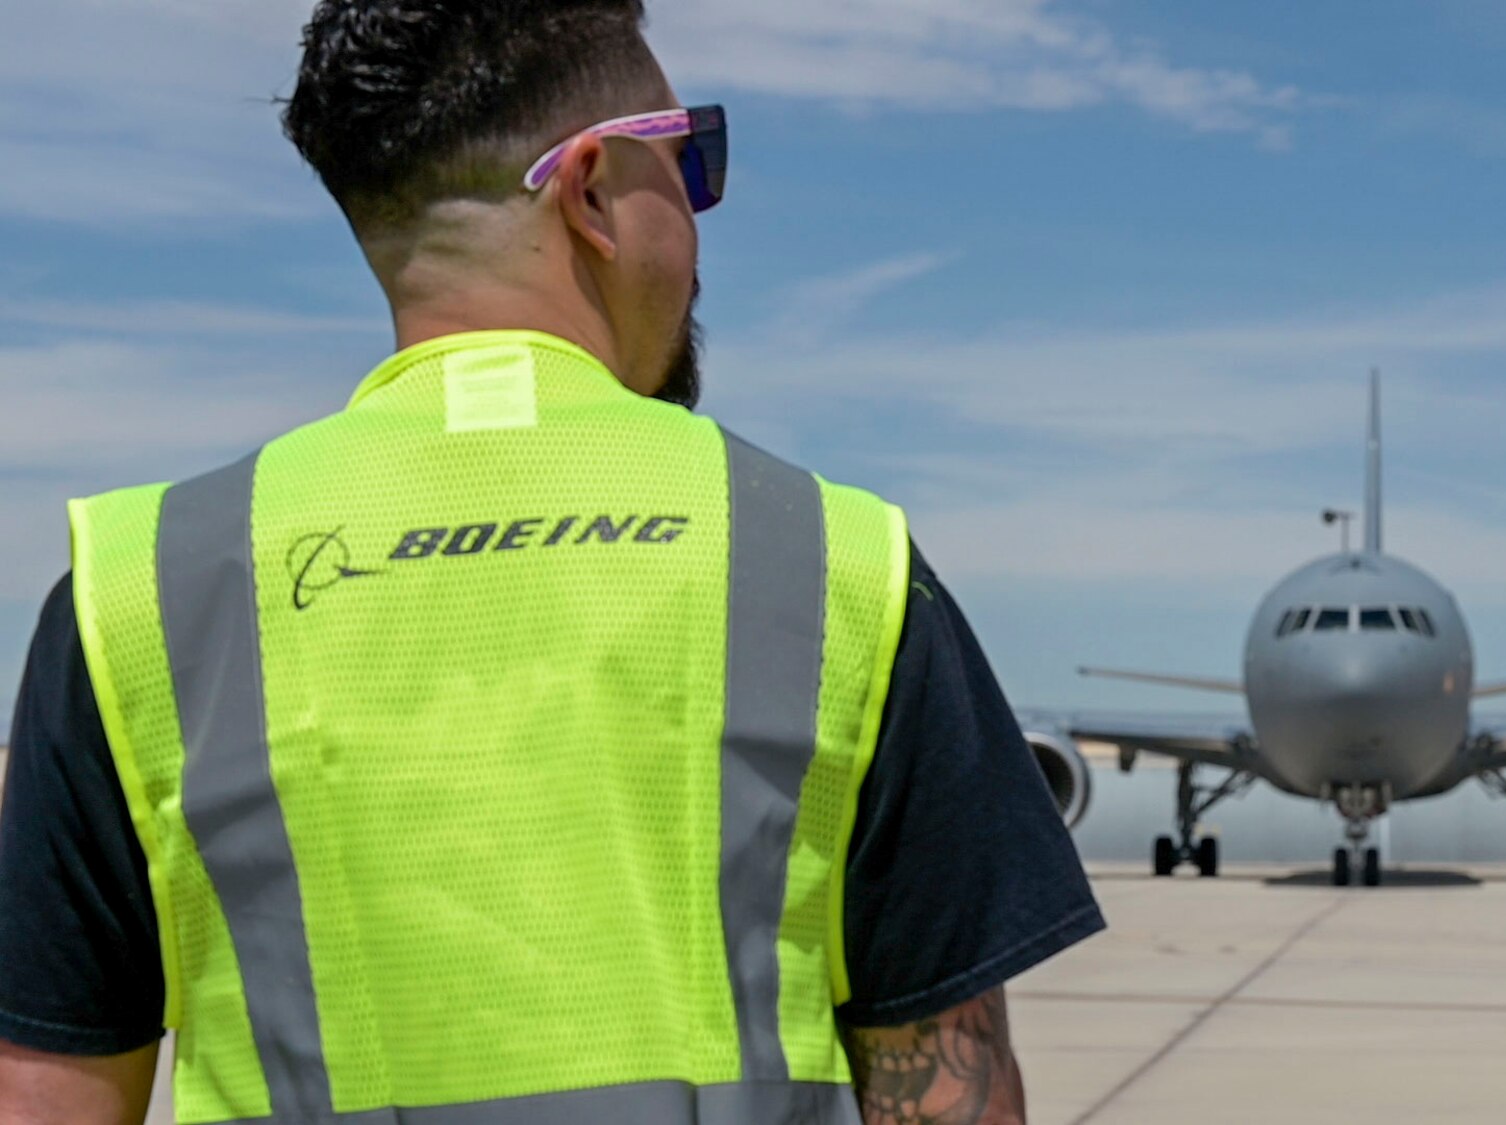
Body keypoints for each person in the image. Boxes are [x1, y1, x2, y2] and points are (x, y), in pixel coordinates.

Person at [0, 2, 1103, 1122]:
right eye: (690, 160)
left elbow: (44, 1095)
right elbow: (952, 1098)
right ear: (589, 191)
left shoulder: (138, 588)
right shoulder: (835, 560)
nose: (700, 216)